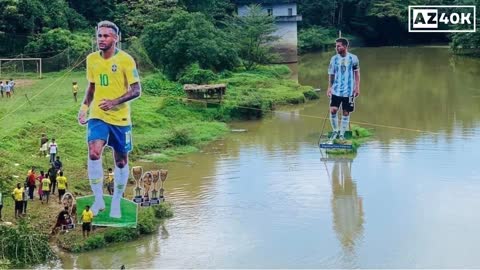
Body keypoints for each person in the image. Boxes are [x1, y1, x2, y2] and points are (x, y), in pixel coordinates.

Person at [78, 20, 141, 218]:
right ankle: (98, 200)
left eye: (106, 36)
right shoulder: (91, 59)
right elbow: (92, 86)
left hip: (121, 119)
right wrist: (85, 106)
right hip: (98, 114)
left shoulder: (126, 60)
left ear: (116, 38)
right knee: (94, 152)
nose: (101, 39)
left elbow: (136, 90)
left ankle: (116, 201)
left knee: (121, 162)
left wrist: (114, 102)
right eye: (99, 35)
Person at [327, 38, 361, 142]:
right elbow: (331, 74)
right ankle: (335, 131)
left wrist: (357, 87)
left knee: (346, 112)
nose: (336, 48)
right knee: (333, 110)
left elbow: (357, 73)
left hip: (349, 91)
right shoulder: (334, 59)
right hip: (336, 90)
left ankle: (342, 134)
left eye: (339, 46)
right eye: (336, 46)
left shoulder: (353, 58)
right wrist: (329, 87)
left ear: (345, 46)